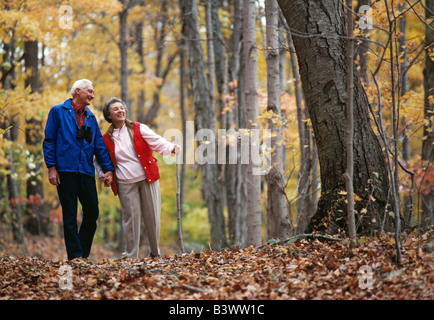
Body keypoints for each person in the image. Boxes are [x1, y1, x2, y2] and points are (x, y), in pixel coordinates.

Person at [96, 97, 180, 259]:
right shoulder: (105, 138)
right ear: (109, 116)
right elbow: (98, 160)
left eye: (122, 108)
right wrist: (103, 175)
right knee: (131, 221)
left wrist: (171, 147)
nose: (120, 111)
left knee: (152, 217)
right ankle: (132, 257)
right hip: (125, 183)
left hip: (147, 179)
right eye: (115, 109)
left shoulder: (138, 128)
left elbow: (158, 142)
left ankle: (155, 253)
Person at [43, 79, 114, 261]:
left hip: (85, 171)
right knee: (70, 215)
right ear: (77, 92)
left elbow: (99, 146)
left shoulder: (91, 118)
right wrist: (52, 168)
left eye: (93, 91)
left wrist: (108, 170)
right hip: (65, 170)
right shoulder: (58, 111)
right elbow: (49, 141)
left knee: (92, 212)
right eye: (89, 91)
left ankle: (82, 254)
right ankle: (75, 257)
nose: (93, 95)